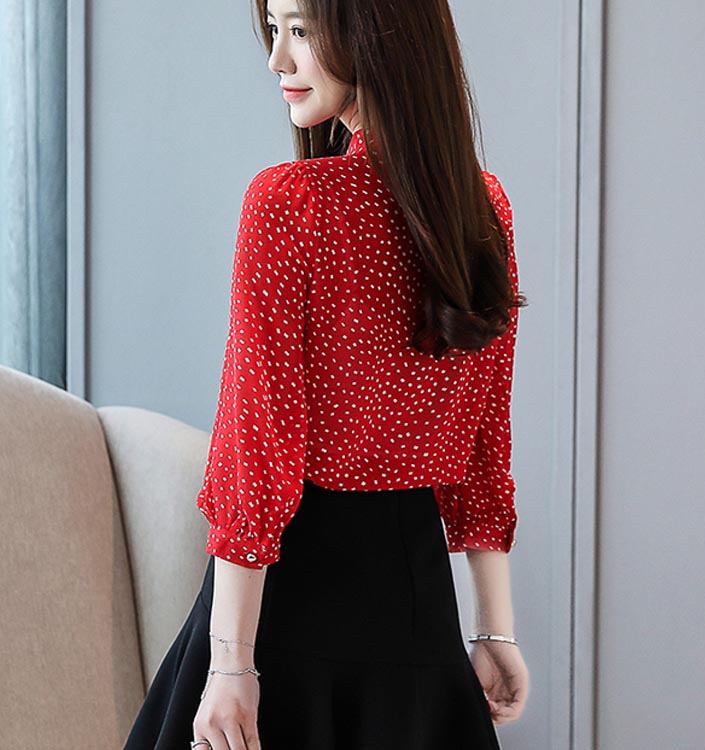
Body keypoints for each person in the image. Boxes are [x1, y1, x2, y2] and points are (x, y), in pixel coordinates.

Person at [124, 0, 531, 748]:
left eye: (301, 30)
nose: (276, 59)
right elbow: (483, 446)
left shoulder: (290, 204)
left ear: (375, 32)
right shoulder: (483, 209)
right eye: (274, 29)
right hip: (417, 606)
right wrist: (493, 629)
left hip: (288, 601)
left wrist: (231, 665)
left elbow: (259, 446)